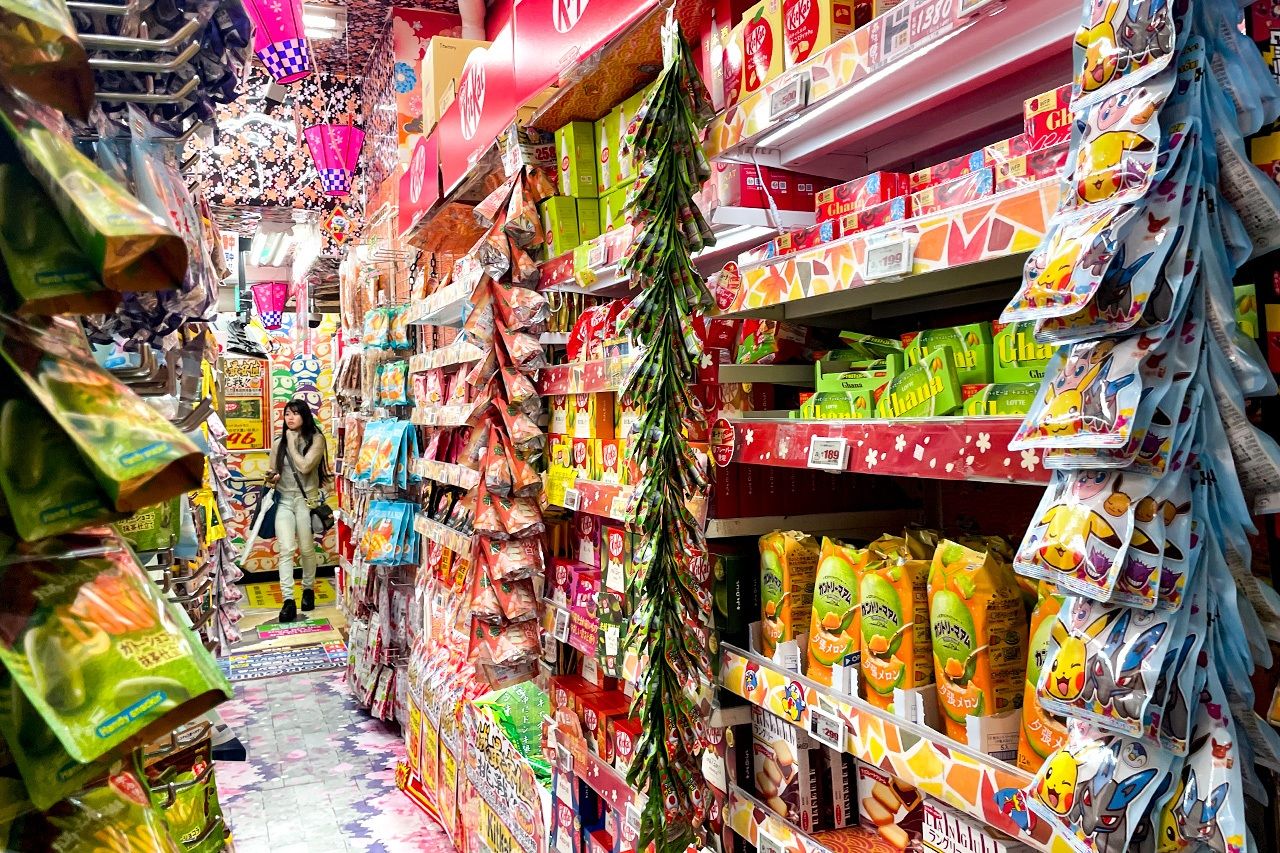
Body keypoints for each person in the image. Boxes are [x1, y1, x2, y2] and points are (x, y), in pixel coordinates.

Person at [266, 399, 331, 623]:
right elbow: (272, 472)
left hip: (306, 501)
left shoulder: (316, 439)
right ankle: (288, 600)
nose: (290, 418)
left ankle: (308, 589)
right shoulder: (278, 442)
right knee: (286, 549)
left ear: (304, 416)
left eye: (295, 414)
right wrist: (271, 477)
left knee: (306, 548)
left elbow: (305, 466)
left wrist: (292, 445)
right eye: (287, 414)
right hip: (284, 501)